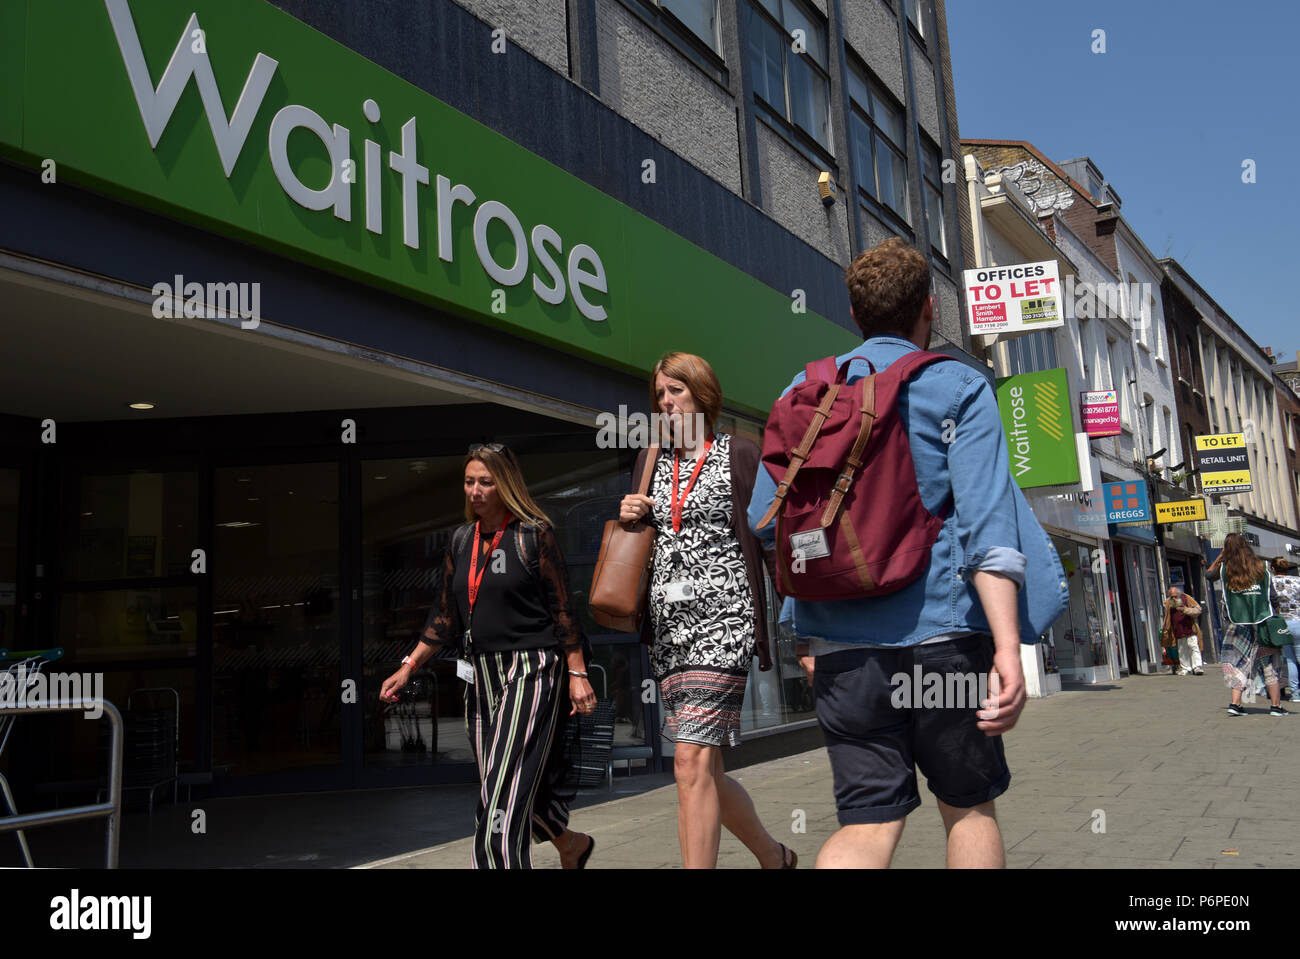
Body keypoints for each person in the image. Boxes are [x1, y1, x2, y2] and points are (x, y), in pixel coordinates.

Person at [747, 237, 1067, 869]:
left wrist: (802, 631)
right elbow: (988, 528)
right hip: (941, 640)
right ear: (930, 309)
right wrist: (1008, 649)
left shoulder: (805, 391)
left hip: (842, 653)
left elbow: (771, 521)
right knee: (967, 807)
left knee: (868, 823)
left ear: (855, 314)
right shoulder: (955, 386)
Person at [379, 443, 596, 868]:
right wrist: (409, 666)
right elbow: (445, 615)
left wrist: (577, 673)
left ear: (506, 484)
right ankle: (570, 844)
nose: (475, 490)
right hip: (479, 675)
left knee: (500, 793)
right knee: (498, 783)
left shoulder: (534, 534)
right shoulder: (461, 540)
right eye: (469, 481)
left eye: (486, 482)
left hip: (531, 670)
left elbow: (563, 609)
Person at [618, 351, 796, 869]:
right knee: (704, 769)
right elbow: (647, 539)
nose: (666, 402)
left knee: (688, 759)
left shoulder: (740, 453)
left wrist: (796, 620)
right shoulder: (652, 460)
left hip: (725, 624)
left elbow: (767, 538)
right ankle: (774, 856)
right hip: (671, 631)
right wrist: (630, 514)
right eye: (659, 395)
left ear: (702, 393)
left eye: (675, 390)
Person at [1206, 534, 1288, 717]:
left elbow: (1208, 575)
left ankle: (1235, 704)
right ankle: (1276, 706)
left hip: (1238, 626)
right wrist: (1277, 616)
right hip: (1263, 623)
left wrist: (1220, 557)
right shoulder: (1262, 568)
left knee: (1238, 664)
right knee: (1269, 665)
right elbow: (1272, 597)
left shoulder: (1226, 570)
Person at [1269, 556, 1300, 701]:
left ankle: (1295, 693)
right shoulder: (1297, 581)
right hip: (1298, 621)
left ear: (1273, 569)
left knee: (1290, 659)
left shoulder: (1270, 583)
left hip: (1282, 624)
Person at [1162, 586, 1204, 675]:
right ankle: (1185, 668)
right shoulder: (1168, 602)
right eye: (1171, 596)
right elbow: (1168, 617)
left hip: (1189, 629)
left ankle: (1197, 667)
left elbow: (1198, 610)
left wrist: (1185, 610)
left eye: (1175, 596)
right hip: (1177, 631)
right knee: (1182, 650)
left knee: (1193, 646)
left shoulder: (1187, 598)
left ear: (1179, 594)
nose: (1173, 598)